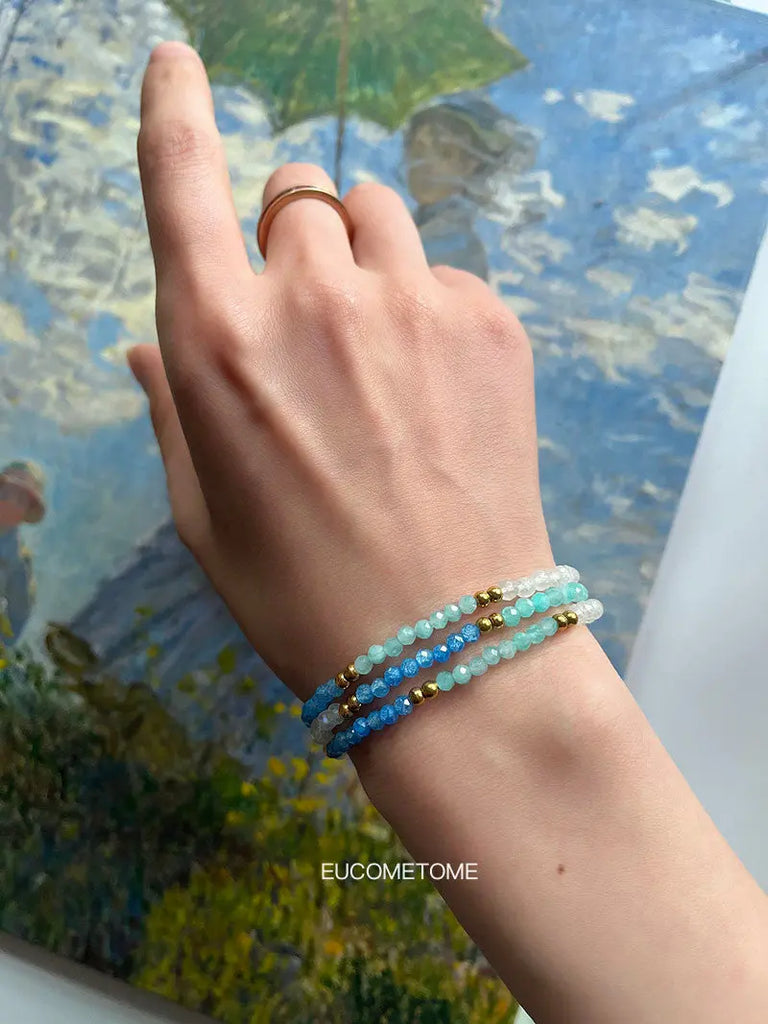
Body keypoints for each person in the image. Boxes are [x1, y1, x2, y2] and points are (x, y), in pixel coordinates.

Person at [127, 41, 768, 1024]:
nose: (425, 159)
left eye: (441, 147)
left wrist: (489, 687)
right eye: (421, 143)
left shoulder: (458, 243)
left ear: (469, 163)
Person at [0, 460, 45, 642]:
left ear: (26, 510)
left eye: (21, 499)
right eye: (6, 492)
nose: (10, 502)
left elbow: (18, 617)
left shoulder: (19, 561)